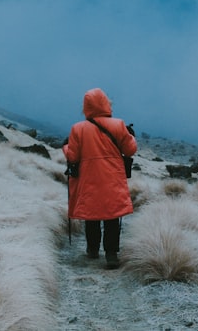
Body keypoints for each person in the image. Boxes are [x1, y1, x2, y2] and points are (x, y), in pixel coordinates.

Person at [62, 88, 137, 269]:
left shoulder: (78, 129)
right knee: (112, 216)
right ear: (106, 103)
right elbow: (130, 150)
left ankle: (92, 250)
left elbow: (72, 157)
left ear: (86, 107)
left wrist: (65, 146)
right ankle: (111, 254)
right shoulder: (118, 125)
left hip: (89, 179)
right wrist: (130, 136)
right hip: (112, 178)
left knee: (92, 215)